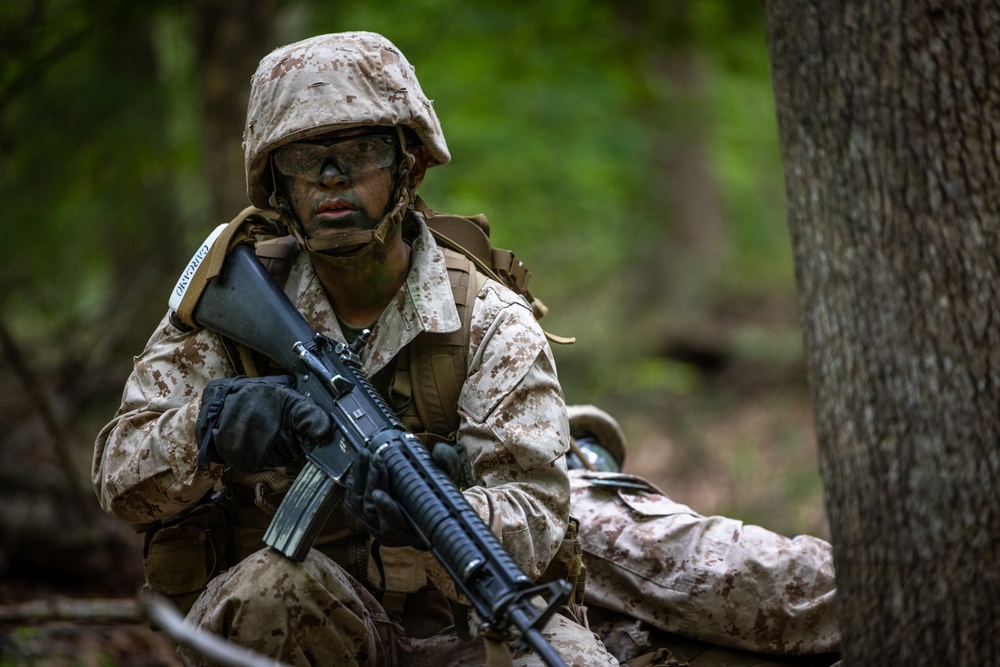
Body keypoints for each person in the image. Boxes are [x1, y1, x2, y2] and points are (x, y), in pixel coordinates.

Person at [93, 31, 617, 666]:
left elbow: (535, 511)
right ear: (276, 184)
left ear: (408, 164)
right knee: (268, 589)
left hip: (465, 626)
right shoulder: (231, 309)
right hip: (304, 624)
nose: (332, 177)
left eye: (362, 151)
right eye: (305, 158)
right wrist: (211, 427)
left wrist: (438, 511)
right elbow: (119, 479)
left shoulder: (488, 320)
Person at [564, 406, 840, 666]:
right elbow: (721, 568)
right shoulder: (570, 497)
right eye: (583, 449)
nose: (596, 466)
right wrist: (869, 580)